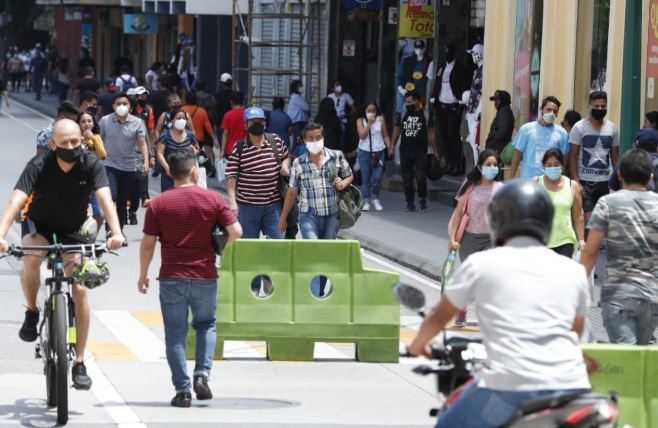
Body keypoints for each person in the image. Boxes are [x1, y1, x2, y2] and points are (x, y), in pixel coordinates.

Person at [408, 180, 591, 428]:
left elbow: (438, 317)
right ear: (547, 221)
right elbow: (576, 331)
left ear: (498, 220)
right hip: (573, 386)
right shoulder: (574, 271)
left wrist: (418, 346)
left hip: (511, 387)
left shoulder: (480, 265)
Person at [0, 118, 125, 389]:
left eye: (75, 141)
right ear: (53, 144)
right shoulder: (39, 165)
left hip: (74, 228)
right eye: (64, 143)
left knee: (80, 291)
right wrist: (1, 234)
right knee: (32, 259)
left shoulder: (91, 163)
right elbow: (16, 201)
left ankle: (79, 361)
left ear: (82, 139)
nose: (71, 146)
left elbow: (105, 198)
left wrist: (116, 232)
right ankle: (32, 311)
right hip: (39, 225)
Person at [138, 149, 242, 407]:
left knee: (175, 334)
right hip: (205, 274)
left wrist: (143, 274)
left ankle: (182, 390)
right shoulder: (213, 200)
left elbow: (148, 243)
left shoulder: (159, 203)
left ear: (170, 172)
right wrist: (220, 249)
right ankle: (202, 375)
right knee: (206, 325)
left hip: (171, 276)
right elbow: (236, 231)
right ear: (195, 171)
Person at [580, 149, 658, 345]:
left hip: (618, 294)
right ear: (651, 176)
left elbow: (590, 252)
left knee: (626, 358)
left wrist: (576, 289)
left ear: (620, 174)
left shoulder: (608, 203)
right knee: (642, 357)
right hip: (652, 295)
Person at [279, 122, 352, 240]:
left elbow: (349, 176)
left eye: (318, 137)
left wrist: (343, 183)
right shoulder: (298, 163)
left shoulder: (337, 155)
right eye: (311, 138)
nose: (315, 141)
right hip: (308, 216)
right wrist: (283, 218)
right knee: (312, 249)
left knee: (328, 251)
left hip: (332, 215)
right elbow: (292, 192)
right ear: (304, 140)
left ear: (323, 138)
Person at [226, 107, 289, 239]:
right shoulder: (239, 148)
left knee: (279, 243)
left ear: (265, 123)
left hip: (273, 205)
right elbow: (231, 176)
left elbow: (285, 156)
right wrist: (232, 202)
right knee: (248, 246)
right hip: (247, 206)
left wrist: (285, 165)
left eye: (260, 121)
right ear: (245, 125)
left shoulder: (275, 140)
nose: (257, 124)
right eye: (253, 121)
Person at [99, 92, 149, 231]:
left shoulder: (137, 122)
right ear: (113, 106)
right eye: (118, 103)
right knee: (112, 196)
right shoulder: (105, 121)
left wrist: (146, 162)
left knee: (122, 201)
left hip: (129, 167)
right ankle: (110, 229)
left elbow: (142, 143)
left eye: (124, 103)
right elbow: (98, 140)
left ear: (130, 107)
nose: (121, 106)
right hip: (109, 164)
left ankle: (119, 230)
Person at [568, 91, 619, 224]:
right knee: (588, 221)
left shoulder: (613, 128)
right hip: (586, 182)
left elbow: (615, 157)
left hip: (606, 182)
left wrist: (617, 181)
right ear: (589, 106)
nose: (600, 109)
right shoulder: (579, 127)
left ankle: (599, 245)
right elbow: (572, 157)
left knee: (605, 221)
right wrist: (576, 181)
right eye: (596, 106)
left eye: (603, 106)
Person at [448, 149, 503, 261]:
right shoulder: (469, 187)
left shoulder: (502, 188)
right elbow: (458, 213)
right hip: (469, 240)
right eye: (488, 164)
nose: (492, 167)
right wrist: (452, 239)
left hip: (492, 239)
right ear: (479, 167)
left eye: (495, 165)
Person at [391, 90, 440, 212]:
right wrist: (391, 146)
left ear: (417, 101)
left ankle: (422, 199)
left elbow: (431, 134)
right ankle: (410, 203)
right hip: (405, 151)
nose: (407, 104)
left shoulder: (427, 114)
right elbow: (396, 130)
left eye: (409, 102)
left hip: (421, 151)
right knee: (407, 179)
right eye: (406, 102)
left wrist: (436, 151)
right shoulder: (402, 113)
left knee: (420, 177)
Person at [538, 149, 585, 257]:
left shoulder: (572, 185)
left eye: (556, 164)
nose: (552, 167)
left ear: (562, 165)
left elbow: (578, 215)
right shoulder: (535, 183)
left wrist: (581, 240)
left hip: (565, 241)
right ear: (544, 166)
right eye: (548, 165)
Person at [510, 96, 569, 179]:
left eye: (555, 111)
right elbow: (517, 155)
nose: (552, 113)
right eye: (548, 109)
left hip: (551, 181)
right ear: (541, 109)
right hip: (528, 179)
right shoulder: (526, 129)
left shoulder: (562, 133)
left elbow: (564, 158)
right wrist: (512, 178)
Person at [429, 45, 467, 174]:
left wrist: (461, 102)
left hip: (453, 106)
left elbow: (462, 84)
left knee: (453, 135)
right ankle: (449, 163)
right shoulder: (442, 67)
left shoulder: (459, 68)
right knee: (444, 136)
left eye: (448, 52)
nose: (446, 55)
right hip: (441, 106)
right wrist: (434, 97)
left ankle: (457, 164)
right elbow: (437, 84)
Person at [356, 101, 392, 211]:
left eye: (373, 111)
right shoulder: (360, 121)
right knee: (366, 178)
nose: (371, 113)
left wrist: (389, 147)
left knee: (377, 177)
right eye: (369, 111)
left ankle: (375, 198)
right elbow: (362, 135)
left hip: (378, 151)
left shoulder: (381, 120)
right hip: (364, 151)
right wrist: (369, 124)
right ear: (365, 111)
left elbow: (385, 135)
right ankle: (366, 200)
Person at [157, 108, 199, 192]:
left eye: (184, 118)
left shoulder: (189, 135)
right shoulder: (165, 135)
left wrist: (194, 151)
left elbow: (197, 148)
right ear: (172, 120)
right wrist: (166, 167)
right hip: (169, 174)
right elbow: (159, 153)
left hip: (186, 173)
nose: (182, 120)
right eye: (178, 118)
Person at [79, 111, 107, 230]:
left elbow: (103, 155)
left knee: (99, 213)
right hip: (79, 180)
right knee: (80, 212)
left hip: (95, 179)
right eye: (83, 121)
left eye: (89, 121)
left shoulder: (97, 137)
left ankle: (92, 238)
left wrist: (93, 140)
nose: (86, 124)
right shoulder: (74, 138)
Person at [182, 91, 219, 176]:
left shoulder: (182, 110)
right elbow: (208, 126)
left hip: (184, 138)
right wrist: (214, 138)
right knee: (196, 155)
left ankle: (188, 172)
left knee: (187, 156)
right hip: (199, 139)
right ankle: (201, 170)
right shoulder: (202, 111)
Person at [396, 39, 432, 111]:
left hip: (422, 96)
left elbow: (430, 81)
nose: (418, 50)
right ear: (414, 48)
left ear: (424, 48)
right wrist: (401, 89)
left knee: (420, 117)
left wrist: (428, 98)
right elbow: (398, 77)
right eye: (417, 48)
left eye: (420, 48)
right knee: (404, 115)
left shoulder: (428, 62)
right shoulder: (406, 61)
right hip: (408, 94)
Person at [484, 89, 514, 154]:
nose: (495, 103)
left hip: (498, 148)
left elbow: (503, 132)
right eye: (494, 100)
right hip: (496, 148)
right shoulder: (502, 111)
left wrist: (493, 140)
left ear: (503, 100)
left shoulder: (504, 112)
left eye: (497, 100)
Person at [287, 79, 310, 156]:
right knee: (298, 141)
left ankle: (294, 157)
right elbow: (306, 107)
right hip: (298, 123)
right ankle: (293, 158)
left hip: (297, 123)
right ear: (296, 87)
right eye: (300, 86)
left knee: (297, 141)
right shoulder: (296, 97)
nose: (302, 87)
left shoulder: (295, 97)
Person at [220, 91, 247, 158]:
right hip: (245, 148)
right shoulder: (247, 114)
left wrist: (222, 150)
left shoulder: (227, 115)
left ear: (231, 102)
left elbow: (225, 134)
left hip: (230, 149)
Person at [214, 72, 234, 139]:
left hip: (220, 123)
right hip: (232, 123)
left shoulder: (217, 95)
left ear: (222, 83)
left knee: (222, 143)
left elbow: (215, 109)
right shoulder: (235, 95)